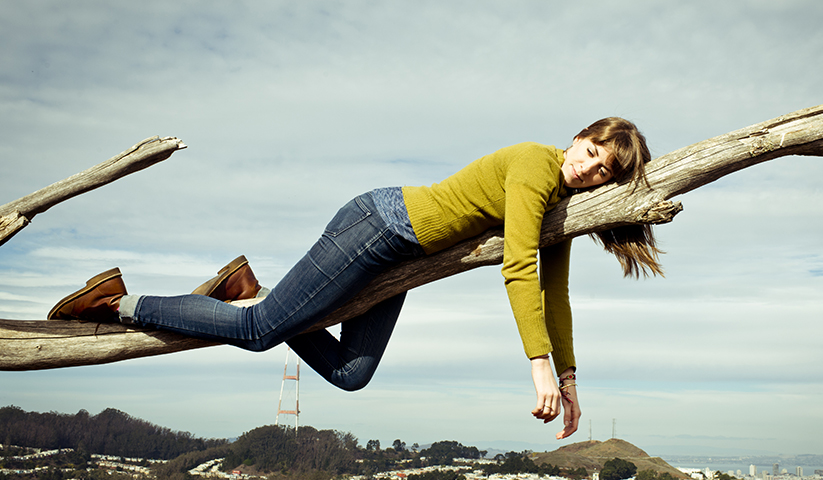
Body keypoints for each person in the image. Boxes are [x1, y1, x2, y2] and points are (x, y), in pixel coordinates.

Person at [48, 117, 662, 440]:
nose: (587, 171)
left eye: (603, 172)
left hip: (399, 263)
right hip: (377, 226)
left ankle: (251, 288)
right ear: (577, 137)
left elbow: (555, 292)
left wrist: (571, 378)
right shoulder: (533, 164)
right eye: (589, 154)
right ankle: (120, 302)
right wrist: (538, 366)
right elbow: (519, 268)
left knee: (352, 373)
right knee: (260, 331)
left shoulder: (556, 205)